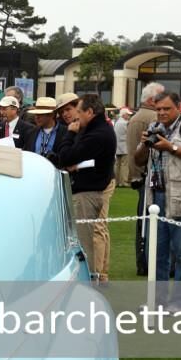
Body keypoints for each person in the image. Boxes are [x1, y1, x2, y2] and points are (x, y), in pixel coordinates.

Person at [132, 92, 181, 308]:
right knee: (157, 253)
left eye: (167, 108)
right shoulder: (155, 127)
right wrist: (144, 144)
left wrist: (170, 147)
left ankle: (180, 302)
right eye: (159, 109)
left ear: (178, 107)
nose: (162, 113)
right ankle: (156, 300)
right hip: (156, 196)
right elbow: (138, 160)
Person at [56, 94, 117, 282]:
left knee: (87, 238)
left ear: (89, 112)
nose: (71, 115)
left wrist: (71, 134)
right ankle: (96, 275)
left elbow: (66, 157)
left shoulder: (96, 133)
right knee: (93, 234)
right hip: (91, 186)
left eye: (76, 111)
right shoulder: (97, 129)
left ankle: (91, 277)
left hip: (89, 190)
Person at [127, 83, 164, 275]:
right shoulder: (151, 118)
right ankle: (148, 263)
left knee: (144, 223)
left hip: (140, 176)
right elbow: (138, 153)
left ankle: (143, 263)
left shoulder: (136, 117)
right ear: (151, 100)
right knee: (151, 224)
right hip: (148, 177)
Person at [26, 97, 69, 164]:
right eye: (36, 114)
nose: (37, 117)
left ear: (51, 115)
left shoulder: (66, 132)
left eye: (40, 114)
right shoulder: (31, 132)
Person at [114, 107, 132, 186]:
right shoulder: (125, 123)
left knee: (117, 165)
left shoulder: (117, 122)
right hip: (124, 147)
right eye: (128, 115)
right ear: (124, 115)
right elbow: (130, 134)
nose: (129, 116)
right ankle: (124, 182)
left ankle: (116, 181)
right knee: (124, 165)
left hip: (117, 147)